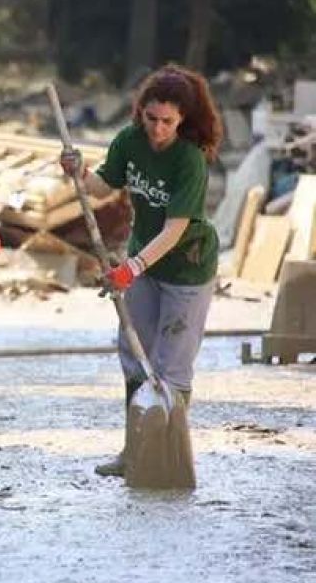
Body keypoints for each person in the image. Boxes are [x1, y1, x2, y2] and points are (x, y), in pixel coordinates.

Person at [60, 64, 223, 477]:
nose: (157, 129)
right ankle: (135, 452)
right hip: (142, 267)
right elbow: (104, 184)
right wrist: (78, 171)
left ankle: (167, 457)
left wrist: (130, 268)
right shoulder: (130, 141)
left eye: (168, 121)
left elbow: (175, 230)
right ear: (141, 113)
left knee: (171, 367)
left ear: (183, 119)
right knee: (136, 358)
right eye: (151, 118)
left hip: (185, 268)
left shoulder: (189, 160)